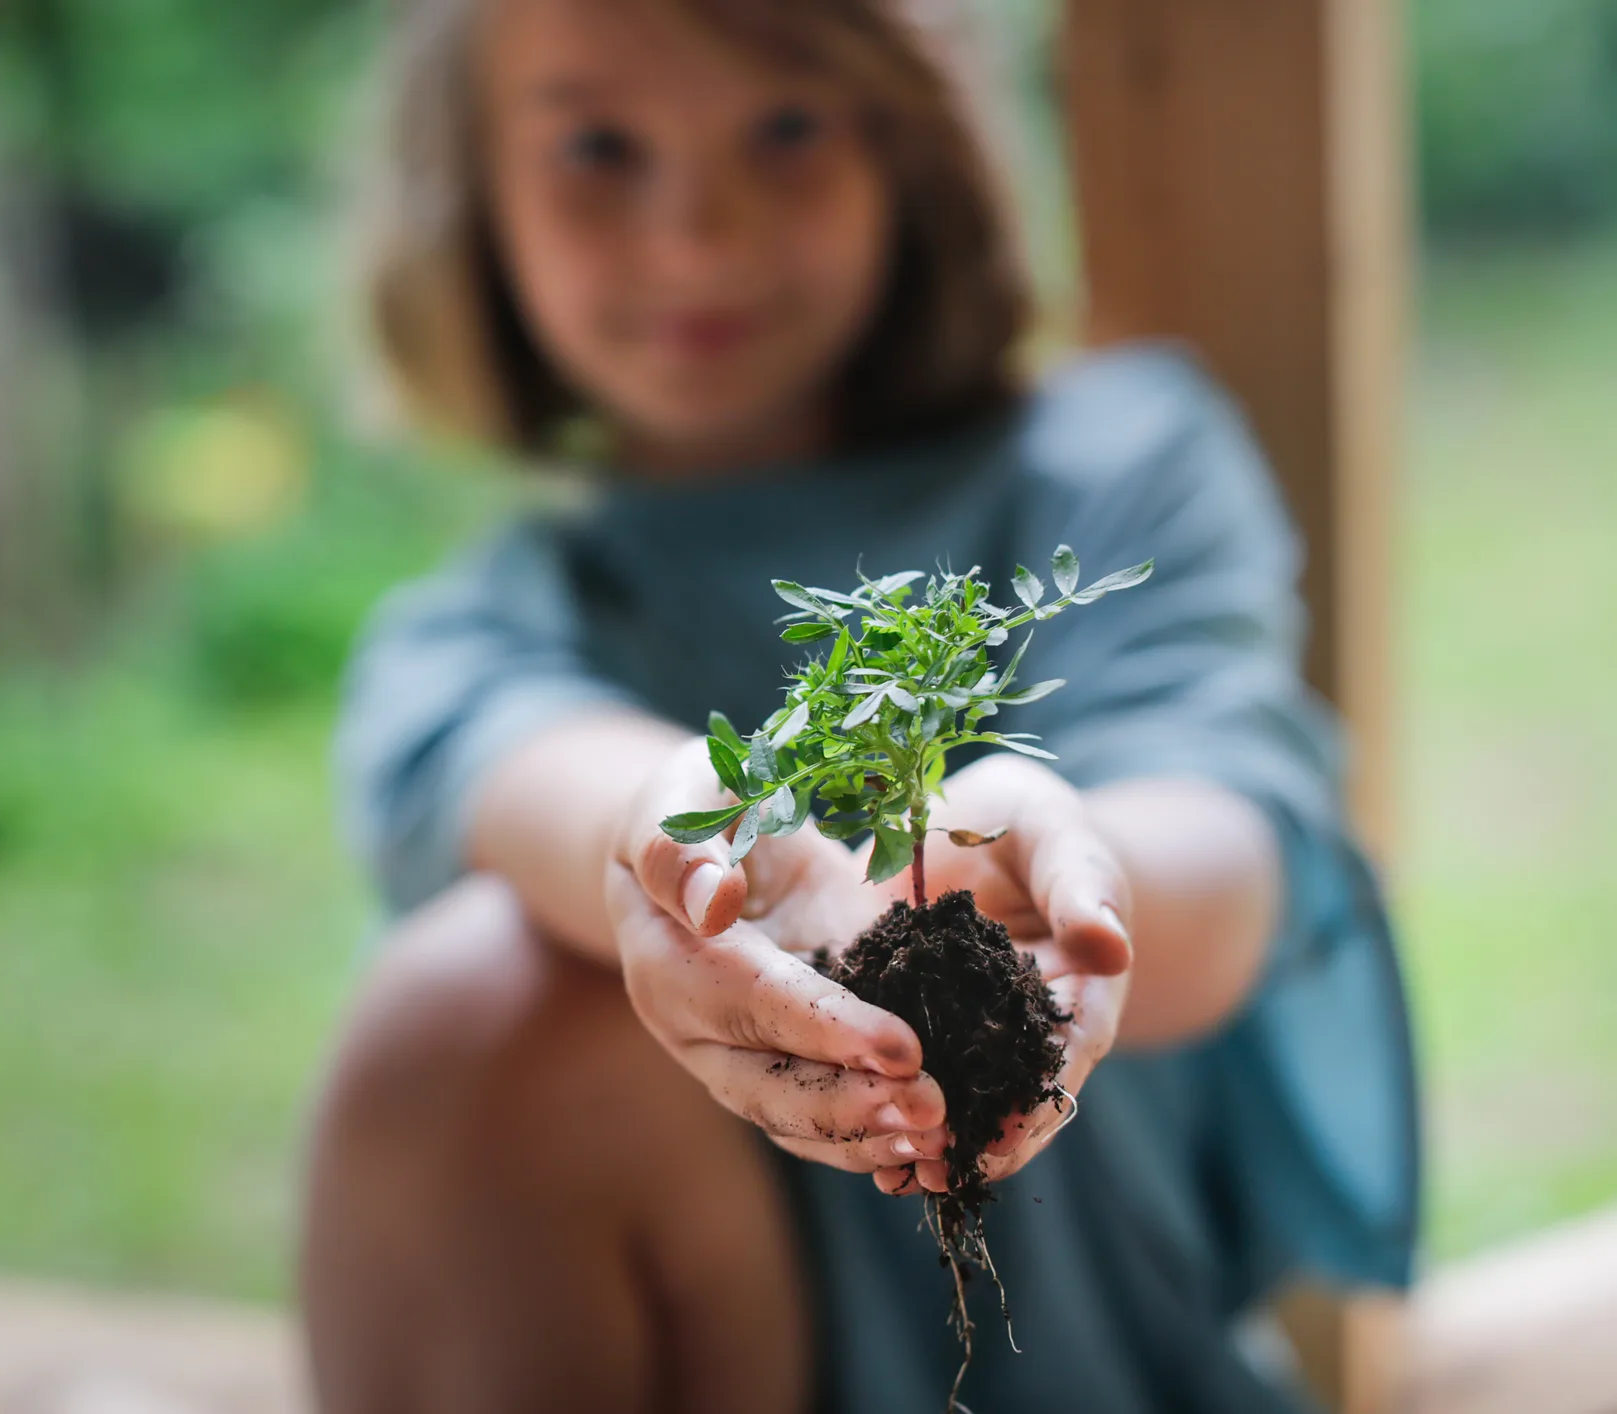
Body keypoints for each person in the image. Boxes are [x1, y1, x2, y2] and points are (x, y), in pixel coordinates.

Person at [301, 0, 1418, 1410]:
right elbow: (531, 771)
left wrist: (1060, 875)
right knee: (470, 996)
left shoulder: (1117, 463)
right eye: (596, 146)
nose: (700, 232)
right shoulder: (493, 622)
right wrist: (705, 854)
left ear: (911, 130)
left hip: (1089, 1360)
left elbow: (1229, 828)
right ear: (470, 191)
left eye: (785, 125)